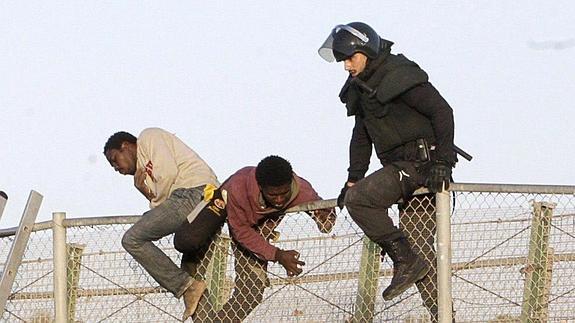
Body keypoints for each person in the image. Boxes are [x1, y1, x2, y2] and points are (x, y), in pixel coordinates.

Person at [319, 22, 457, 321]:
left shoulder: (398, 74)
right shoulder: (362, 88)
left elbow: (442, 111)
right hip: (400, 170)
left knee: (360, 201)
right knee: (419, 247)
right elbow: (361, 136)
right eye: (342, 60)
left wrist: (443, 161)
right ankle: (444, 315)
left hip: (423, 166)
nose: (346, 66)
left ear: (365, 51)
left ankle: (403, 260)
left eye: (349, 58)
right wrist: (353, 177)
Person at [103, 127, 221, 320]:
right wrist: (146, 191)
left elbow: (167, 175)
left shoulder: (148, 137)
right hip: (191, 199)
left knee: (132, 239)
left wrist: (151, 196)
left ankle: (186, 286)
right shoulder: (144, 173)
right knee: (190, 265)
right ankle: (201, 307)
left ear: (126, 146)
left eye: (114, 160)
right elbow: (163, 202)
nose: (116, 168)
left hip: (196, 192)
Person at [200, 155, 336, 322]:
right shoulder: (238, 188)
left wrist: (326, 215)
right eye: (273, 195)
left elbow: (325, 224)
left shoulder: (302, 189)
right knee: (197, 273)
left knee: (251, 292)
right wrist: (277, 255)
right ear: (260, 187)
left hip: (260, 231)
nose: (279, 200)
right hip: (224, 216)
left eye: (284, 194)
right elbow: (241, 231)